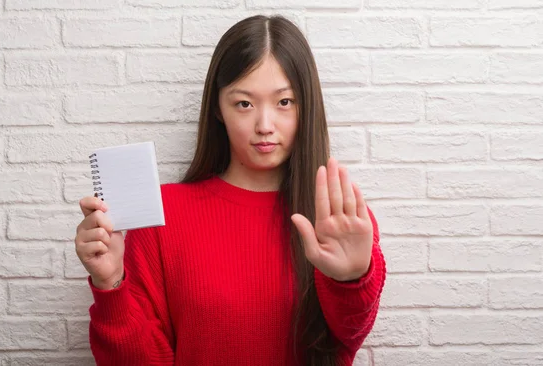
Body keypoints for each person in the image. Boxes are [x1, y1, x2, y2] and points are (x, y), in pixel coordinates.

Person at [74, 14, 386, 366]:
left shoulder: (339, 220)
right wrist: (111, 282)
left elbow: (347, 338)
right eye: (244, 104)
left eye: (284, 102)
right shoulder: (164, 216)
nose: (265, 125)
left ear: (306, 106)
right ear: (218, 110)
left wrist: (352, 280)